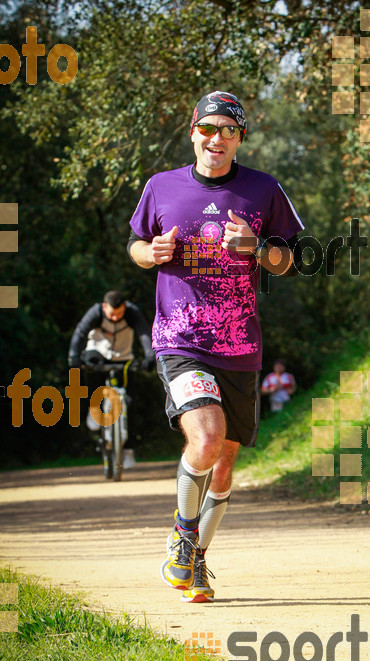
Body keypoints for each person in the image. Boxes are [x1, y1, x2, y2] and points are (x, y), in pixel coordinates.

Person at [128, 90, 304, 602]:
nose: (216, 138)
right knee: (206, 440)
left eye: (228, 130)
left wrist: (259, 247)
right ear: (193, 133)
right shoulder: (161, 187)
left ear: (240, 138)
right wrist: (150, 253)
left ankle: (197, 559)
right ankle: (184, 535)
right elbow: (137, 244)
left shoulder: (264, 190)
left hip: (239, 346)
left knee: (224, 461)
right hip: (179, 338)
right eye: (207, 128)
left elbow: (288, 260)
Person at [68, 290, 155, 466]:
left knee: (130, 401)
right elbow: (80, 332)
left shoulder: (132, 312)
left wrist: (149, 356)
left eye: (119, 314)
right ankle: (95, 409)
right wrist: (74, 355)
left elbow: (144, 333)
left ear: (125, 308)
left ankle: (127, 449)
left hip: (123, 358)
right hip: (98, 353)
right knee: (91, 367)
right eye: (112, 314)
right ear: (104, 307)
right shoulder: (96, 312)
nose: (115, 318)